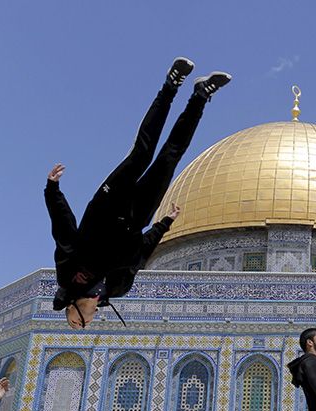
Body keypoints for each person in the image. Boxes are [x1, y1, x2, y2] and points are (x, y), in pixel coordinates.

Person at [45, 58, 232, 330]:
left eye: (76, 322)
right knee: (171, 156)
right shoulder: (116, 288)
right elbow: (140, 255)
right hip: (137, 218)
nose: (84, 322)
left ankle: (170, 86)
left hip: (106, 206)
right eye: (83, 324)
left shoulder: (69, 277)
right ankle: (200, 96)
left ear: (71, 308)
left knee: (142, 152)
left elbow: (64, 233)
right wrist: (164, 224)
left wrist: (53, 191)